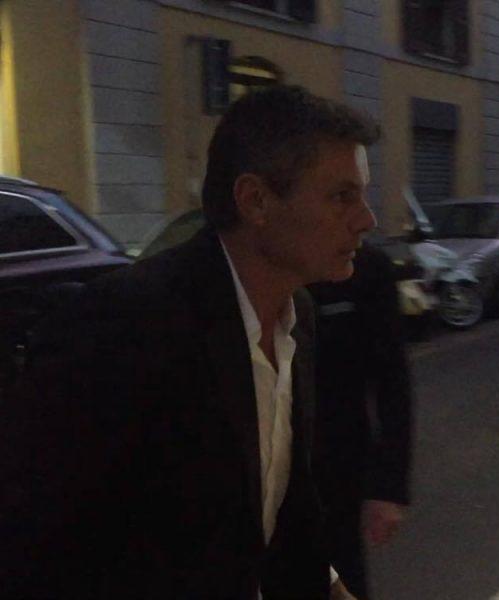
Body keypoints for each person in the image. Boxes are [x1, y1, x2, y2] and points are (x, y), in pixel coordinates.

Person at [0, 85, 378, 598]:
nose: (366, 219)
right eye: (342, 196)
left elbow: (279, 504)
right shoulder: (128, 323)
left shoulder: (298, 318)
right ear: (256, 200)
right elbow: (36, 538)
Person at [309, 241, 413, 600]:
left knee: (342, 575)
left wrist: (387, 487)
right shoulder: (255, 269)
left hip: (338, 468)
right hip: (258, 468)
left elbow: (392, 381)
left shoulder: (366, 269)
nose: (364, 220)